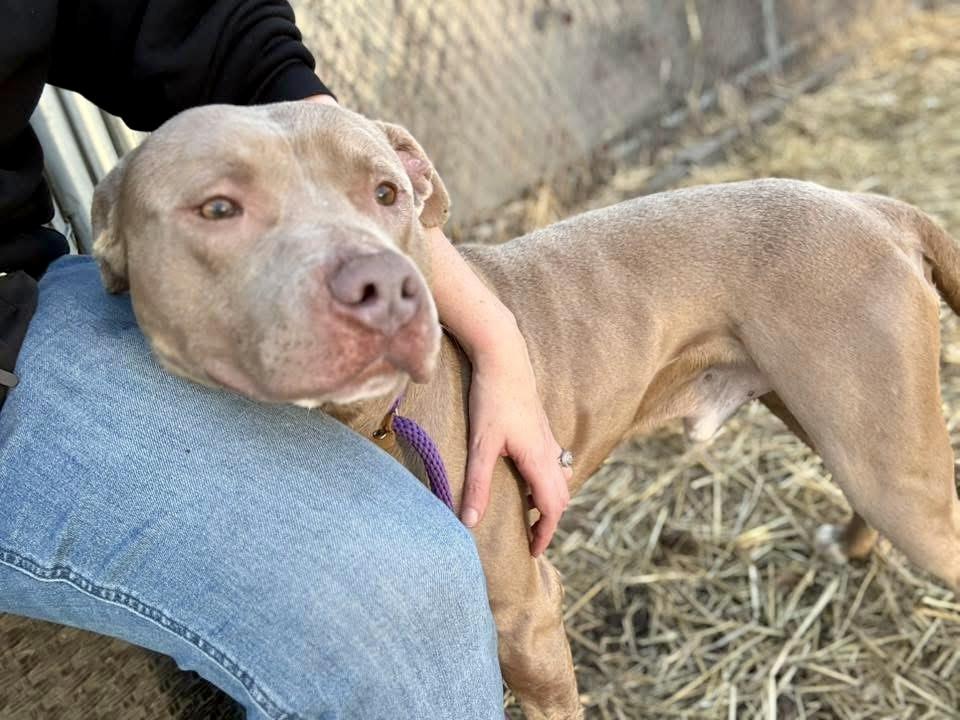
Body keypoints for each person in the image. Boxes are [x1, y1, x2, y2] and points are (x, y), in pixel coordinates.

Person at [0, 2, 570, 717]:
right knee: (394, 599)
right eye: (219, 209)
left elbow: (225, 42)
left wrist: (495, 337)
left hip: (27, 292)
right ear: (116, 242)